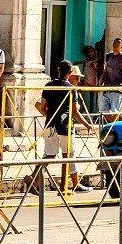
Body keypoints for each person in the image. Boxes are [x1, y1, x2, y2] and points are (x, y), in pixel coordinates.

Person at [34, 61, 83, 192]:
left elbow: (41, 106)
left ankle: (35, 178)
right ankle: (63, 188)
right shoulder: (71, 88)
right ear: (70, 72)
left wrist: (50, 116)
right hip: (65, 126)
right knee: (67, 156)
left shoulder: (48, 85)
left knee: (49, 155)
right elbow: (74, 110)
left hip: (50, 125)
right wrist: (87, 124)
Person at [100, 37, 122, 118]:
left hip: (117, 89)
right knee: (103, 112)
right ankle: (108, 128)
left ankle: (113, 128)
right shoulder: (108, 56)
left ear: (121, 46)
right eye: (114, 43)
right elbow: (105, 70)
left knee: (115, 112)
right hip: (106, 88)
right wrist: (100, 83)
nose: (115, 45)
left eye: (118, 43)